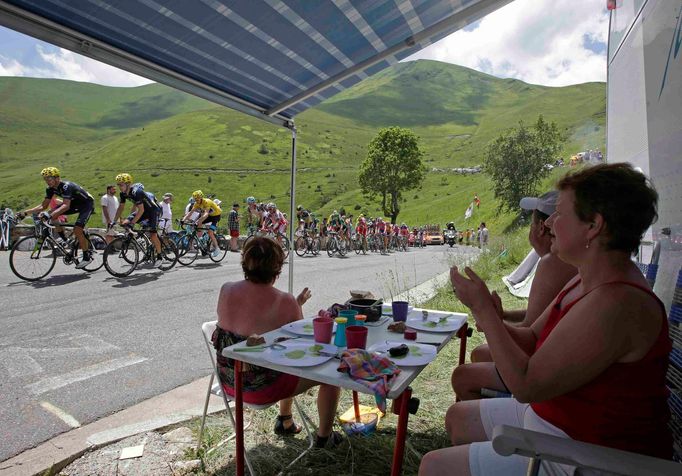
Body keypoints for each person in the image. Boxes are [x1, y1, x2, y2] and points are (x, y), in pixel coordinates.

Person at [420, 163, 672, 475]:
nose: (549, 222)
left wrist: (486, 312)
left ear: (594, 225)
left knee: (434, 467)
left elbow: (527, 385)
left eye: (561, 213)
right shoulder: (585, 279)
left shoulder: (618, 303)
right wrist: (488, 313)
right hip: (557, 419)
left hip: (591, 454)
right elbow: (531, 339)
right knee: (458, 418)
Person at [213, 237, 342, 447]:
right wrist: (296, 305)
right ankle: (325, 437)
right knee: (330, 376)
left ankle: (285, 420)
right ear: (277, 268)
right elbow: (302, 343)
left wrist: (294, 303)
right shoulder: (284, 300)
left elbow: (249, 320)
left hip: (229, 382)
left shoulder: (226, 289)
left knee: (280, 359)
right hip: (262, 389)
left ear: (245, 263)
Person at [451, 192, 576, 400]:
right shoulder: (573, 268)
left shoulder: (552, 263)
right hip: (553, 366)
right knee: (479, 354)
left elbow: (530, 340)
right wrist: (502, 316)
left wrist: (487, 314)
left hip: (546, 376)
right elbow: (543, 317)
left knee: (463, 376)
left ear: (543, 229)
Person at [18, 167, 96, 269]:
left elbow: (66, 206)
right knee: (52, 215)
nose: (47, 182)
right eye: (45, 179)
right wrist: (25, 213)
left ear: (57, 178)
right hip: (73, 204)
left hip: (86, 204)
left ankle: (86, 257)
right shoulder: (50, 189)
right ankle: (66, 240)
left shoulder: (66, 186)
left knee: (77, 230)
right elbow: (44, 206)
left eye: (49, 179)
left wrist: (49, 215)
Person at [113, 173, 165, 268]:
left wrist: (133, 223)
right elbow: (120, 208)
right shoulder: (123, 194)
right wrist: (114, 221)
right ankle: (134, 235)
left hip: (153, 211)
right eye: (118, 185)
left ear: (128, 184)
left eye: (121, 184)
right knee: (125, 223)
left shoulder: (137, 192)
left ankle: (159, 256)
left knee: (153, 235)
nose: (119, 187)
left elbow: (141, 210)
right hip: (144, 211)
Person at [182, 190, 222, 258]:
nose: (197, 201)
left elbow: (206, 214)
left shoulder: (207, 202)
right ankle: (201, 239)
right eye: (195, 199)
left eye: (198, 199)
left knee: (210, 232)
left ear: (201, 198)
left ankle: (217, 248)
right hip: (210, 215)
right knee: (198, 223)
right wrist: (183, 221)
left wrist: (198, 221)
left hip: (216, 216)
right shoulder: (196, 203)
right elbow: (190, 213)